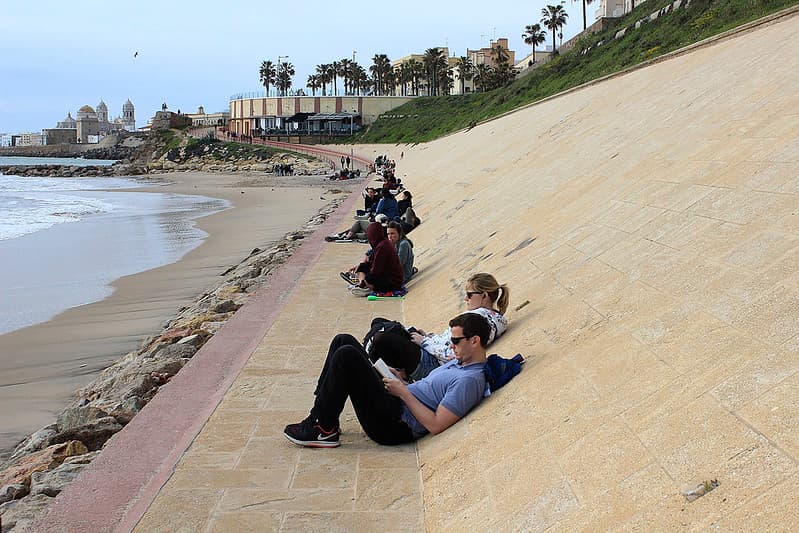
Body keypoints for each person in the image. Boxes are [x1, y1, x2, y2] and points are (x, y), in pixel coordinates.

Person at [283, 313, 491, 447]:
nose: (451, 345)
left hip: (395, 424)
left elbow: (436, 425)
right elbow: (429, 392)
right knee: (343, 340)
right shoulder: (460, 362)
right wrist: (402, 380)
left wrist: (403, 392)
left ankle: (324, 428)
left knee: (346, 355)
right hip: (398, 400)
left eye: (455, 341)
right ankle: (319, 418)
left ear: (474, 341)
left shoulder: (469, 380)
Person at [368, 273, 509, 380]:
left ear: (484, 296)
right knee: (380, 323)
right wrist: (429, 337)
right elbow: (451, 340)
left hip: (434, 363)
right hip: (433, 352)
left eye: (469, 295)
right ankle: (388, 367)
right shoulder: (493, 317)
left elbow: (454, 354)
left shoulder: (478, 320)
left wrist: (424, 342)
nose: (465, 299)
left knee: (381, 338)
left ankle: (393, 373)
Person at [347, 222, 403, 296]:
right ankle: (364, 285)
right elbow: (374, 263)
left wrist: (367, 280)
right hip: (391, 278)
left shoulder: (382, 247)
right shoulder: (383, 243)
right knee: (362, 267)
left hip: (393, 283)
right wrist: (362, 265)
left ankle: (366, 286)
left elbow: (376, 271)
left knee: (369, 277)